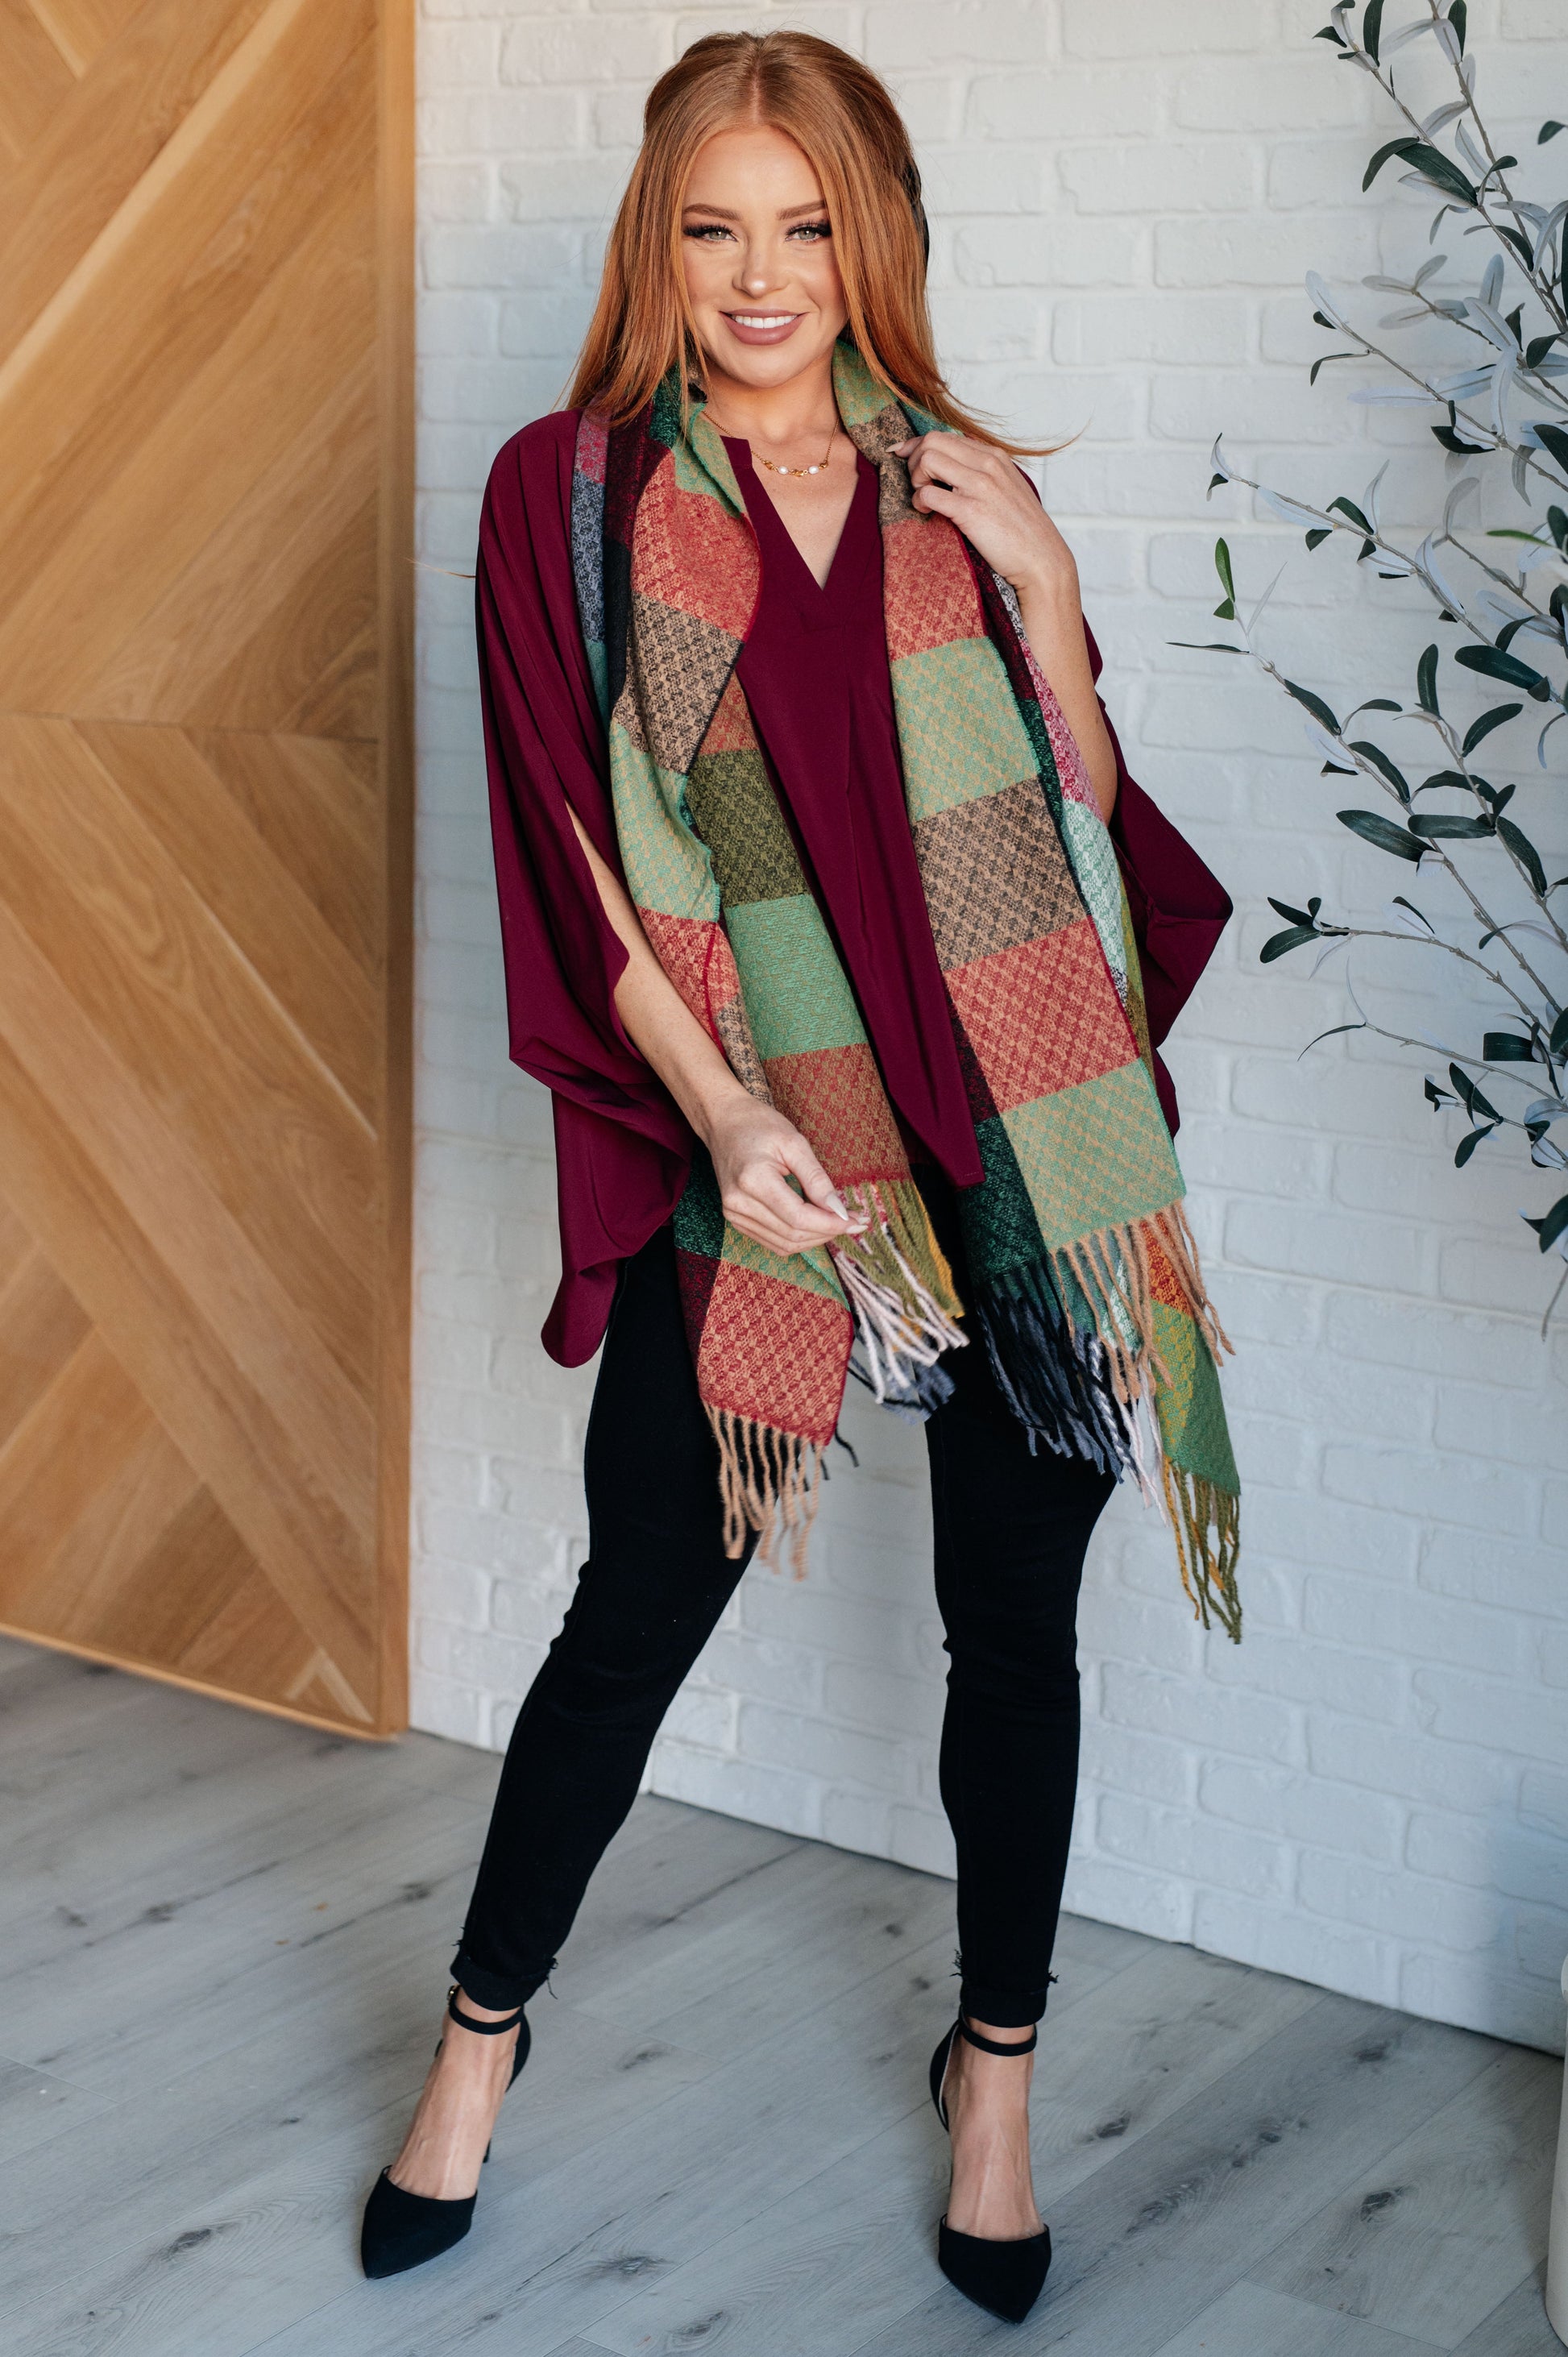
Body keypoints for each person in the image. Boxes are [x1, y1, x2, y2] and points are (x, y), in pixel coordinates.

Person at [361, 27, 1238, 2326]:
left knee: (1012, 1640)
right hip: (756, 1137)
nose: (762, 276)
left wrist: (1045, 592)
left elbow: (1091, 836)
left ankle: (997, 2083)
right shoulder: (566, 493)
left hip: (1019, 1146)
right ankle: (475, 2044)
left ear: (877, 233)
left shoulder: (954, 488)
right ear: (657, 243)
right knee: (637, 1604)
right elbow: (575, 846)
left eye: (809, 222)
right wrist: (725, 1119)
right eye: (713, 226)